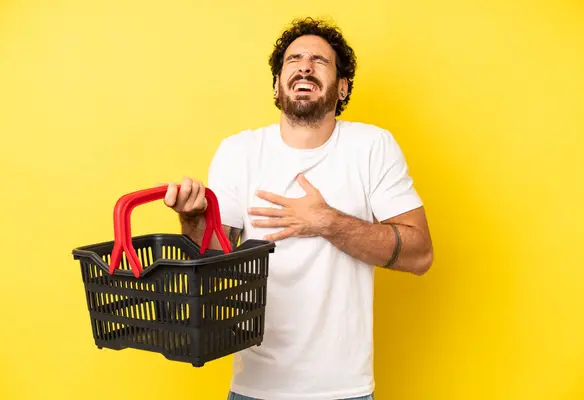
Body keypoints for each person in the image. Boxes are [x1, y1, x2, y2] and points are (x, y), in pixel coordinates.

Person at [164, 17, 433, 400]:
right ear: (277, 84)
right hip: (255, 388)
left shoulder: (371, 146)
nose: (305, 66)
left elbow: (420, 253)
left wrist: (326, 222)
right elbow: (209, 265)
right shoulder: (238, 152)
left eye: (320, 61)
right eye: (294, 59)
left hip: (344, 390)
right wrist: (192, 219)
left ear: (342, 88)